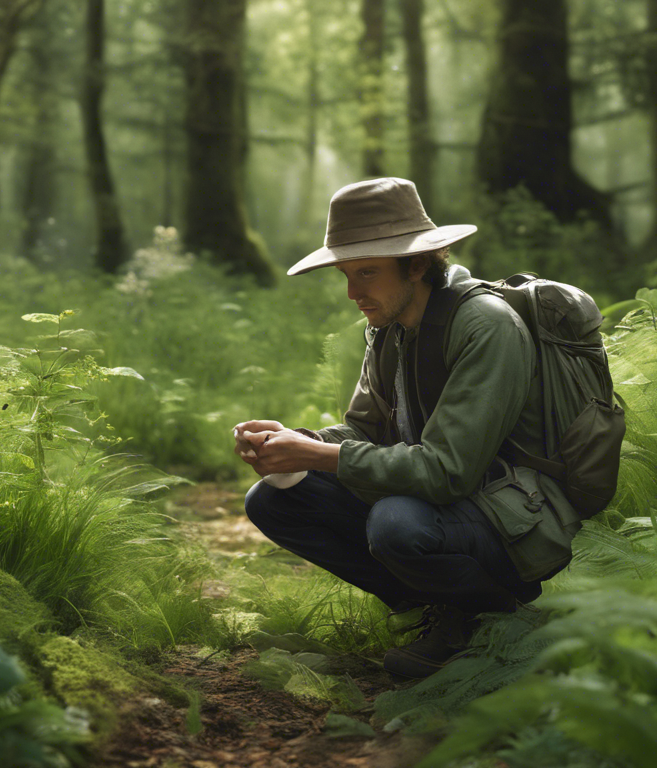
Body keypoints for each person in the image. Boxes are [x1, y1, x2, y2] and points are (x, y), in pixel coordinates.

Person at [235, 177, 576, 679]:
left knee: (395, 523)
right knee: (271, 499)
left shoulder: (485, 325)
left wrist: (315, 457)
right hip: (446, 505)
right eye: (346, 275)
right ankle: (438, 607)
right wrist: (301, 442)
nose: (353, 292)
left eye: (367, 273)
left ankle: (489, 615)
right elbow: (363, 434)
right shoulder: (389, 327)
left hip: (514, 519)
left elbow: (446, 473)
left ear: (417, 264)